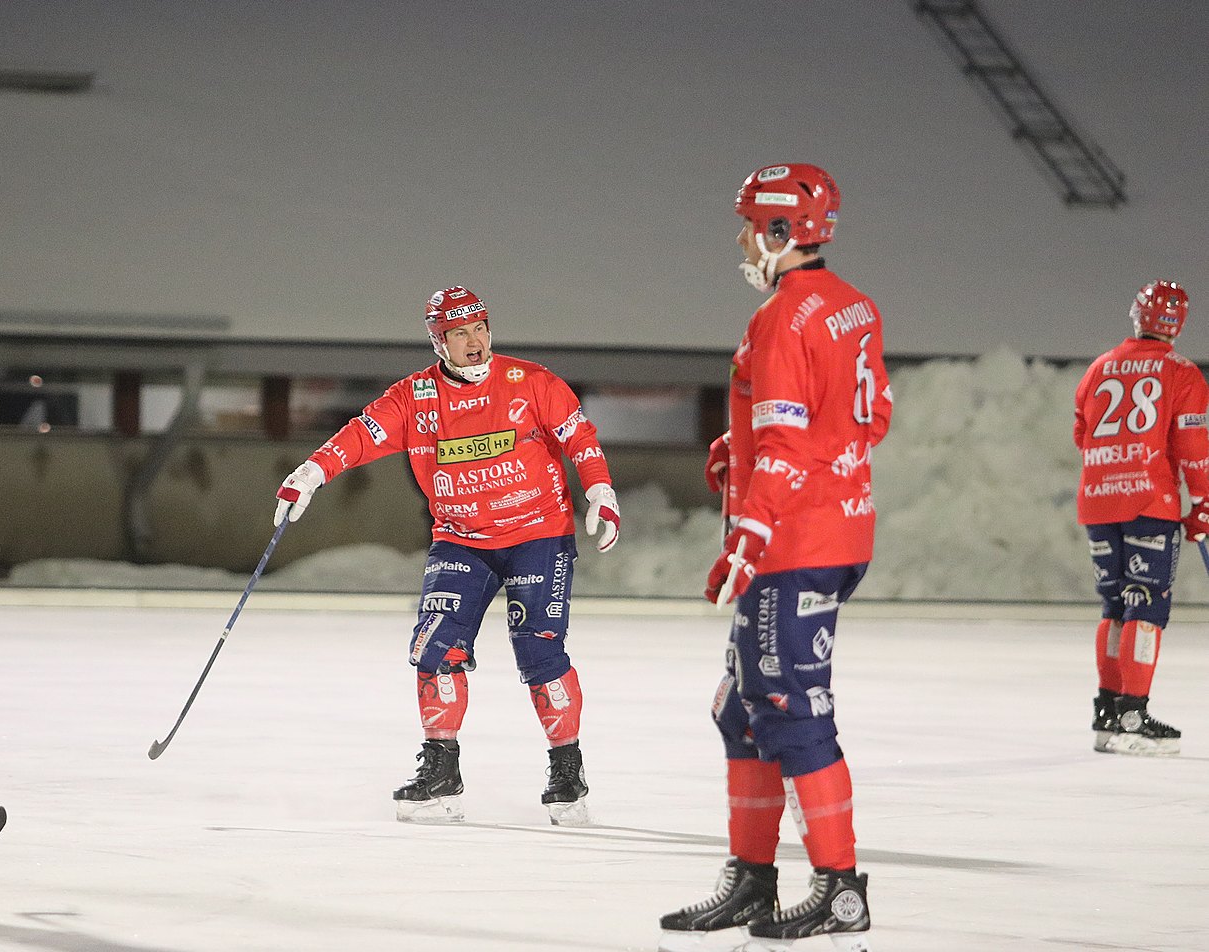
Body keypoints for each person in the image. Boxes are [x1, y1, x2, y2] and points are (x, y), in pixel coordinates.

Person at [273, 285, 621, 826]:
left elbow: (580, 436)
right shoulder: (415, 397)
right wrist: (312, 473)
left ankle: (567, 771)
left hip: (538, 536)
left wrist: (600, 488)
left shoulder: (530, 382)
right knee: (435, 647)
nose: (474, 341)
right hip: (461, 538)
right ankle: (441, 771)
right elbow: (360, 436)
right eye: (459, 333)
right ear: (439, 342)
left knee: (540, 653)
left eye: (480, 328)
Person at [659, 164, 891, 952]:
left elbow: (793, 441)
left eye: (751, 223)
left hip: (795, 541)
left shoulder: (782, 317)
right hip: (835, 525)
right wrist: (744, 442)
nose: (742, 238)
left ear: (784, 232)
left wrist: (750, 529)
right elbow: (870, 417)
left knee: (791, 709)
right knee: (741, 708)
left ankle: (841, 891)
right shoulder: (854, 306)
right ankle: (754, 877)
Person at [1075, 279, 1206, 757]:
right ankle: (1134, 715)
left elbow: (1081, 434)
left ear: (1137, 314)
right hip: (1151, 503)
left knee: (1114, 605)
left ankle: (1107, 714)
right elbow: (1192, 447)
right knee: (1146, 605)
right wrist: (1204, 502)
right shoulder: (1182, 373)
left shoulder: (1099, 367)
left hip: (1098, 499)